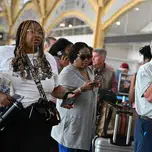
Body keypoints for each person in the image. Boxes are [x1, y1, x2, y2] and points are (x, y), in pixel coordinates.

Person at [0, 20, 75, 152]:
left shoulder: (48, 59)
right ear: (21, 33)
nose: (38, 35)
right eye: (32, 31)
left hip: (40, 120)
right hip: (12, 117)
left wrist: (66, 95)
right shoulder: (5, 53)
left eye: (40, 32)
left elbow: (54, 88)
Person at [51, 42, 99, 152]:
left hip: (85, 128)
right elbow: (65, 102)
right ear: (73, 56)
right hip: (70, 128)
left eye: (89, 57)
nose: (86, 60)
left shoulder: (89, 71)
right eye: (83, 57)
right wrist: (81, 89)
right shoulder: (67, 73)